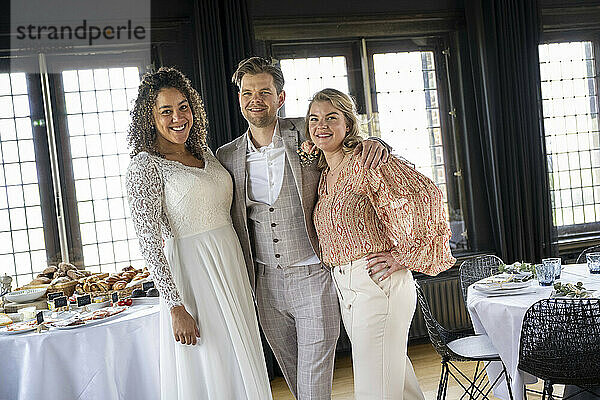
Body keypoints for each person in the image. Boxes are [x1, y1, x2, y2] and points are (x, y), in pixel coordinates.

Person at [216, 56, 389, 400]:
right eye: (247, 92)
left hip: (314, 278)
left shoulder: (308, 131)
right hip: (265, 285)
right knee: (295, 378)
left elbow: (346, 134)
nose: (255, 99)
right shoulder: (227, 155)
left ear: (280, 97)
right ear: (239, 98)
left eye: (264, 91)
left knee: (313, 379)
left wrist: (376, 142)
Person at [125, 67, 271, 400]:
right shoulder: (145, 166)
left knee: (239, 353)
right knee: (212, 359)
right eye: (166, 111)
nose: (178, 117)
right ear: (150, 118)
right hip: (194, 277)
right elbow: (149, 242)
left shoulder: (205, 153)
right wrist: (175, 306)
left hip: (230, 267)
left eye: (183, 107)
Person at [307, 88, 456, 399]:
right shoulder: (323, 172)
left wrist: (405, 255)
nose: (321, 125)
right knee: (396, 383)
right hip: (346, 287)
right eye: (314, 119)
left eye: (331, 118)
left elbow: (424, 195)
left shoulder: (366, 160)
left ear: (348, 124)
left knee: (375, 390)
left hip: (378, 285)